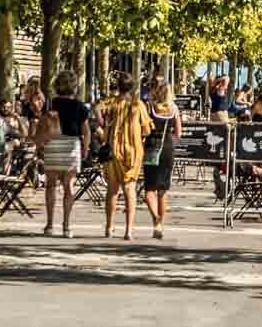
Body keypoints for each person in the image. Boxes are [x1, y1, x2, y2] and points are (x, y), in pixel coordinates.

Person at [35, 70, 90, 237]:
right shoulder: (81, 106)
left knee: (51, 185)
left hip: (53, 144)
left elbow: (42, 125)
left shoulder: (50, 104)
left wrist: (40, 145)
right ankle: (67, 226)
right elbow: (85, 131)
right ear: (75, 86)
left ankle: (50, 224)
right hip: (71, 146)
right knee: (69, 187)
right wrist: (85, 148)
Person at [100, 72, 151, 241]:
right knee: (130, 189)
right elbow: (147, 129)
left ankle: (109, 226)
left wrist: (103, 125)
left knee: (112, 189)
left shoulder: (111, 103)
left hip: (113, 150)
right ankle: (129, 230)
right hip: (133, 151)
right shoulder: (138, 105)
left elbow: (95, 108)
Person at [140, 74, 182, 240]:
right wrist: (171, 141)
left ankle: (156, 220)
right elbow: (179, 132)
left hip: (151, 148)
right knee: (163, 191)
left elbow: (144, 130)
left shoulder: (149, 107)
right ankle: (160, 224)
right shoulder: (174, 109)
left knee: (149, 189)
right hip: (168, 148)